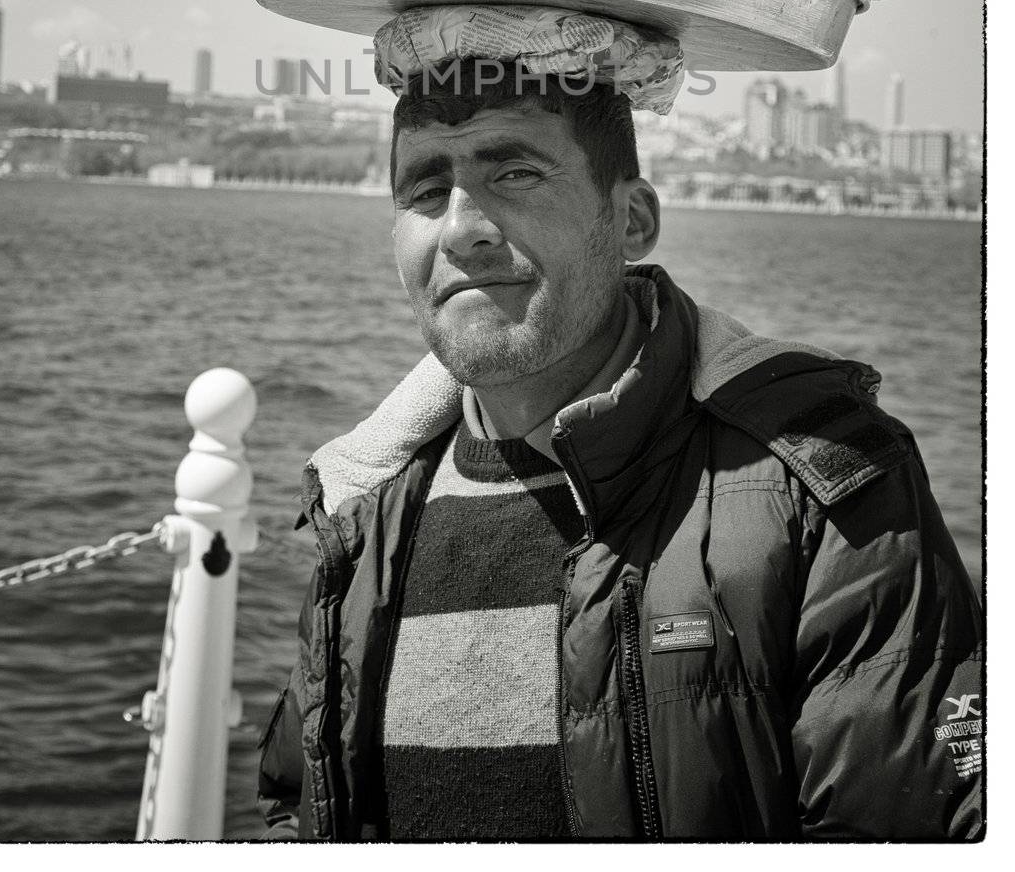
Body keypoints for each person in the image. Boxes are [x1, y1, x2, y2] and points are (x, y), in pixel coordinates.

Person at [258, 60, 982, 842]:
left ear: (631, 219)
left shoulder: (817, 483)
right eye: (426, 193)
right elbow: (296, 810)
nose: (461, 226)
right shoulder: (363, 511)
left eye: (515, 172)